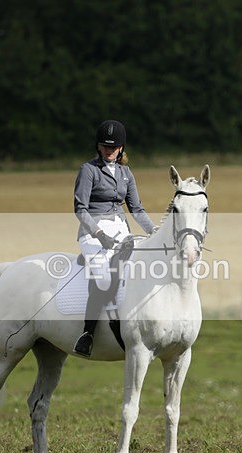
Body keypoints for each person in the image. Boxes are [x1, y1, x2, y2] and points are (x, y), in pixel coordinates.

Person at [72, 119, 156, 357]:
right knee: (103, 278)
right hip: (93, 232)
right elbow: (80, 209)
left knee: (135, 271)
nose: (109, 151)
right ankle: (87, 334)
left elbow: (137, 210)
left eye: (114, 147)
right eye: (105, 146)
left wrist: (154, 232)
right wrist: (98, 235)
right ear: (99, 147)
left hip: (122, 230)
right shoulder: (88, 170)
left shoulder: (126, 173)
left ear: (121, 148)